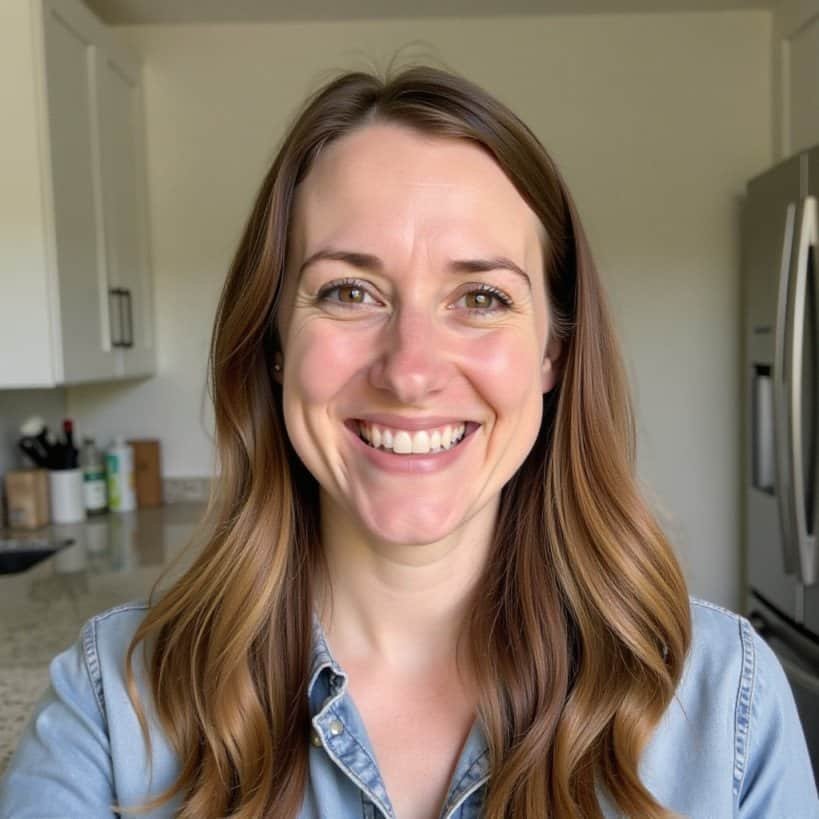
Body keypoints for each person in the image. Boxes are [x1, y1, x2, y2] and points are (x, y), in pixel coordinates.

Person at [1, 63, 816, 819]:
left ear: (551, 351)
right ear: (275, 342)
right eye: (349, 290)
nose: (411, 370)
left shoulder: (722, 697)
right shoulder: (116, 699)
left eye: (481, 296)